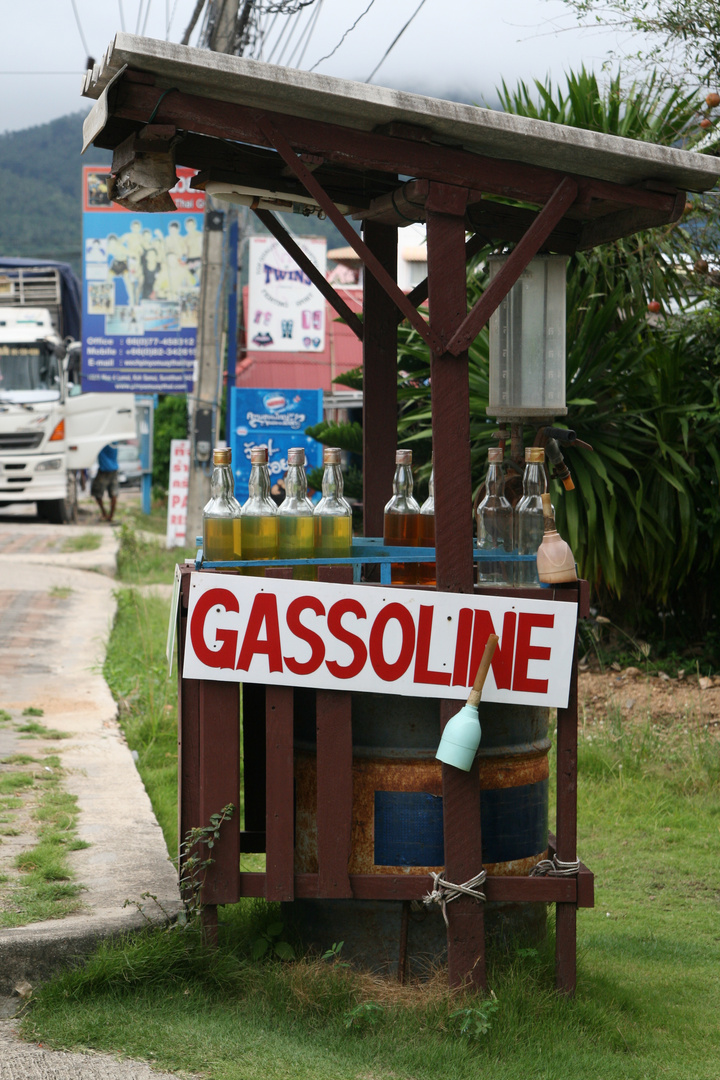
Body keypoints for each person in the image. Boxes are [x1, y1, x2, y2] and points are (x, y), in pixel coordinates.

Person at [92, 444, 119, 523]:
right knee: (114, 494)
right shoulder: (114, 442)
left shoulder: (102, 442)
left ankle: (104, 513)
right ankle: (111, 516)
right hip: (114, 470)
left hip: (104, 471)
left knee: (97, 492)